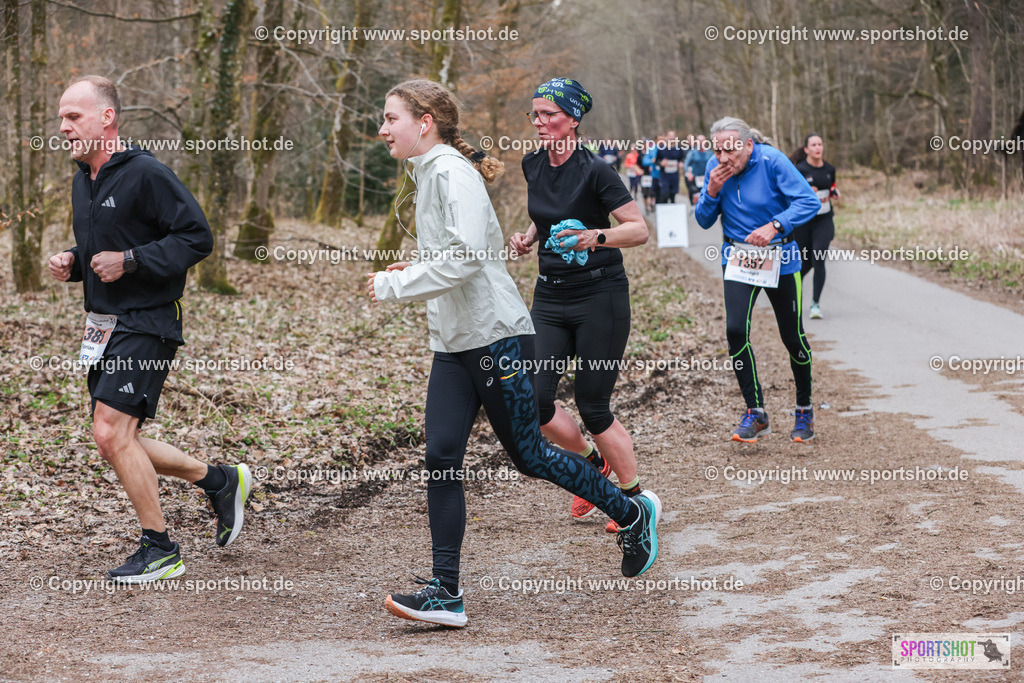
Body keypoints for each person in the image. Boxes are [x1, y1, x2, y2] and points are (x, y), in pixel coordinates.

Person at [368, 79, 660, 628]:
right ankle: (446, 592)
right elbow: (450, 254)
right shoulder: (427, 170)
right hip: (452, 342)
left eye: (390, 118)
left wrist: (396, 287)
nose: (383, 129)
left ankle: (630, 512)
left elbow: (469, 258)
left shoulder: (452, 172)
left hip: (497, 336)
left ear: (424, 121)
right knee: (441, 458)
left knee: (530, 457)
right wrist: (411, 268)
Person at [48, 76, 251, 583]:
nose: (64, 127)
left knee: (110, 431)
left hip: (149, 320)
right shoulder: (83, 179)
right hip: (103, 325)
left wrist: (132, 262)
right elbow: (106, 248)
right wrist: (72, 262)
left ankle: (160, 549)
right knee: (118, 438)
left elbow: (196, 237)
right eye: (60, 118)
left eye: (74, 117)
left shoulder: (147, 173)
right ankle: (221, 481)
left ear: (106, 118)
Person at [510, 77, 651, 531]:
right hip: (550, 295)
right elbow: (543, 215)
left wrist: (597, 236)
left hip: (600, 295)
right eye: (535, 114)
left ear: (572, 120)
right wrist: (528, 236)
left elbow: (638, 229)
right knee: (534, 401)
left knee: (593, 405)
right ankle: (594, 468)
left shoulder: (597, 171)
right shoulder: (532, 164)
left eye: (549, 114)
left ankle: (635, 501)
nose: (539, 122)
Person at [694, 116, 821, 443]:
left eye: (730, 151)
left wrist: (776, 225)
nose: (723, 158)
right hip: (738, 258)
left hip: (780, 257)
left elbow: (809, 201)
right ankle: (756, 412)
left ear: (748, 145)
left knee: (792, 337)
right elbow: (704, 220)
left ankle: (804, 409)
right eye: (717, 150)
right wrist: (711, 190)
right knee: (735, 330)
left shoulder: (772, 160)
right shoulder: (714, 167)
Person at [790, 134, 840, 319]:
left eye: (820, 144)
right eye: (814, 144)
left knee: (818, 259)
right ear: (806, 149)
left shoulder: (829, 168)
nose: (818, 147)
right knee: (803, 264)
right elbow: (790, 195)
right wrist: (806, 193)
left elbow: (832, 185)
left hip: (823, 220)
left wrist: (834, 192)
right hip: (803, 223)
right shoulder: (800, 169)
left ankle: (815, 305)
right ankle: (793, 302)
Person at [655, 130, 683, 203]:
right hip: (664, 176)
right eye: (670, 136)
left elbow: (682, 159)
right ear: (667, 137)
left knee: (673, 195)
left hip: (674, 175)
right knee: (665, 194)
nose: (671, 138)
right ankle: (663, 211)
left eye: (673, 136)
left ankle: (672, 212)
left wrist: (681, 163)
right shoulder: (661, 148)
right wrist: (661, 163)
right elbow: (656, 161)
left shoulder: (678, 148)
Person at [684, 135, 713, 205]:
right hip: (695, 177)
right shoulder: (692, 153)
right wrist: (688, 173)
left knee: (705, 194)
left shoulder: (709, 153)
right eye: (699, 141)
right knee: (695, 194)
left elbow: (713, 165)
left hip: (706, 177)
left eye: (702, 141)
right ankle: (694, 208)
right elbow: (686, 164)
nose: (701, 143)